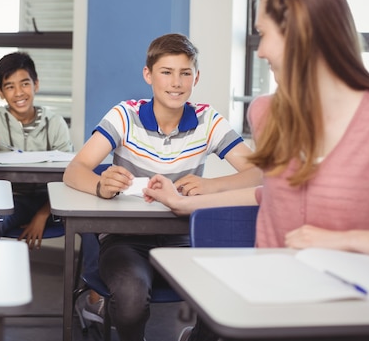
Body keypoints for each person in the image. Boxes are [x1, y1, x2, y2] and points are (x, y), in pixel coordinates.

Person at [143, 0, 369, 341]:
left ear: (300, 37)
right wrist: (182, 203)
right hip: (266, 311)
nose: (259, 51)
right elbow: (272, 194)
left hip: (351, 320)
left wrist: (342, 239)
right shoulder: (266, 113)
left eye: (264, 35)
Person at [62, 33, 263, 341]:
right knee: (130, 301)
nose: (176, 83)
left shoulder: (207, 120)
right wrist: (101, 185)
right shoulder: (124, 115)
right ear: (148, 75)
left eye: (185, 73)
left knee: (224, 294)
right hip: (125, 238)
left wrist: (212, 185)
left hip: (186, 236)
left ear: (196, 77)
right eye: (166, 72)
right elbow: (74, 170)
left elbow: (259, 172)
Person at [0, 51, 73, 249]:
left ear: (36, 84)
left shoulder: (55, 123)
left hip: (50, 201)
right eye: (10, 86)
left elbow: (69, 176)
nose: (18, 93)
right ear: (0, 92)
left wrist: (42, 215)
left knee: (88, 225)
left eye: (25, 83)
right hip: (11, 200)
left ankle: (87, 279)